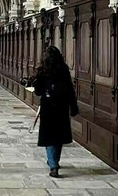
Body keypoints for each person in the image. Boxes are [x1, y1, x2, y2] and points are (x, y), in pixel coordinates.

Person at [33, 46, 79, 178]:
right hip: (61, 107)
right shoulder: (63, 70)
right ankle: (54, 161)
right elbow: (70, 89)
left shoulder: (43, 70)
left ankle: (53, 165)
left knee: (49, 136)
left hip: (48, 107)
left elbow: (38, 91)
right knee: (58, 136)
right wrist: (73, 106)